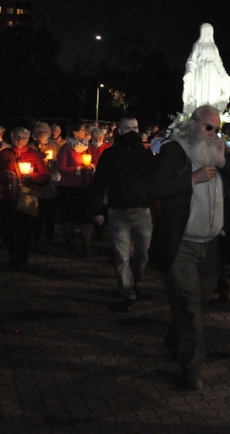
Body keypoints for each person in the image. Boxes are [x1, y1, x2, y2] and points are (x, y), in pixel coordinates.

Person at [148, 105, 230, 390]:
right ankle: (190, 369)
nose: (213, 134)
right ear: (193, 123)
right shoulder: (175, 151)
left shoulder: (218, 153)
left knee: (197, 305)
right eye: (208, 127)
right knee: (190, 310)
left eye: (217, 129)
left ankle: (175, 340)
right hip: (182, 246)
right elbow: (156, 187)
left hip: (211, 247)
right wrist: (192, 179)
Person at [89, 117, 155, 313]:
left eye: (135, 127)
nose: (133, 132)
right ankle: (128, 291)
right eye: (128, 128)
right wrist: (95, 210)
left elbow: (154, 180)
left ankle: (134, 280)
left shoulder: (145, 155)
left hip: (142, 211)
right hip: (118, 211)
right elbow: (99, 183)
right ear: (119, 130)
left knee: (143, 254)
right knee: (121, 255)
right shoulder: (110, 155)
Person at [0, 127, 50, 267]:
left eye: (23, 138)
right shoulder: (5, 153)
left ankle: (22, 257)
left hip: (28, 196)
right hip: (7, 196)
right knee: (7, 227)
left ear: (27, 139)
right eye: (17, 137)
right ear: (11, 138)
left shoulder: (34, 155)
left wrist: (31, 176)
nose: (19, 140)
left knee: (25, 228)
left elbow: (45, 176)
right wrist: (4, 175)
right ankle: (12, 252)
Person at [56, 120, 95, 256]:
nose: (86, 133)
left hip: (85, 187)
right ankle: (69, 241)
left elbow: (94, 161)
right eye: (84, 130)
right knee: (69, 217)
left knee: (86, 218)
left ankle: (87, 245)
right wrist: (79, 168)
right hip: (69, 187)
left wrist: (91, 168)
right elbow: (61, 168)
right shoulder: (66, 148)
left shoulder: (88, 148)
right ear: (75, 132)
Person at [181, 23, 230, 115]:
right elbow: (192, 60)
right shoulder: (198, 45)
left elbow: (218, 63)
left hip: (213, 76)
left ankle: (211, 114)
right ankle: (200, 114)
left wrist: (225, 76)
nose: (207, 34)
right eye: (206, 31)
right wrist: (190, 72)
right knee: (201, 94)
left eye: (209, 32)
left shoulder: (214, 47)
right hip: (201, 74)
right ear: (202, 32)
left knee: (212, 95)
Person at [29, 122, 61, 246]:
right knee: (37, 212)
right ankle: (36, 235)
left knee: (49, 212)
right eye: (39, 132)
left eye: (44, 132)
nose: (42, 134)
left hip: (50, 184)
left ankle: (49, 236)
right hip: (36, 183)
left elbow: (59, 162)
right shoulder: (31, 147)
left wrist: (53, 164)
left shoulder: (54, 146)